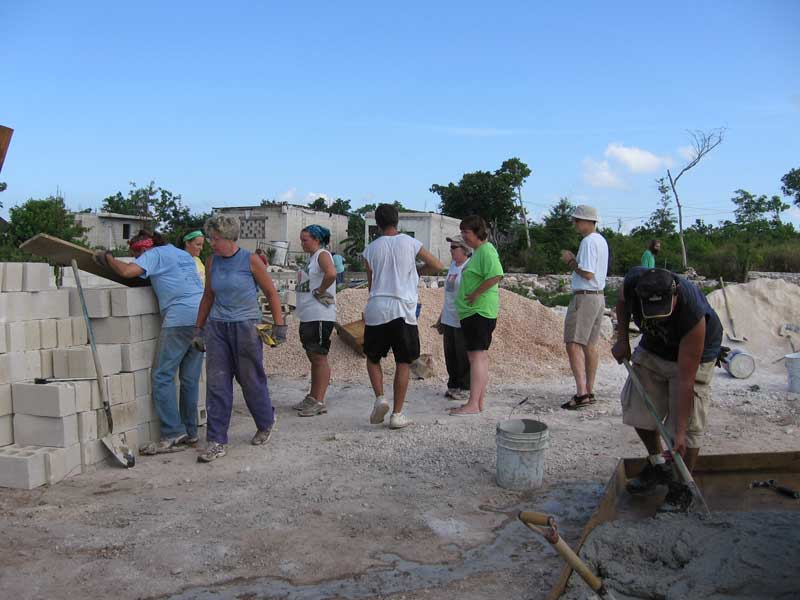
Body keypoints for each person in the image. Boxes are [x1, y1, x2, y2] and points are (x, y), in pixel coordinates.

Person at [612, 267, 723, 511]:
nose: (658, 317)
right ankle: (659, 465)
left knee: (688, 428)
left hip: (695, 355)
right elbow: (621, 303)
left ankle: (682, 488)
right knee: (638, 409)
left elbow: (685, 380)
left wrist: (680, 431)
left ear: (674, 294)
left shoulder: (692, 313)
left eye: (663, 311)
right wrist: (621, 340)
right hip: (654, 347)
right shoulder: (633, 283)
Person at [94, 230, 204, 450]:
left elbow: (126, 272)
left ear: (143, 249)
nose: (137, 260)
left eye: (137, 255)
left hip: (179, 319)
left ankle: (173, 433)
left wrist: (107, 257)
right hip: (201, 318)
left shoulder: (153, 254)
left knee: (162, 376)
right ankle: (191, 432)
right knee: (190, 379)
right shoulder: (181, 254)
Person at [193, 215, 287, 463]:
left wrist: (279, 325)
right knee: (217, 384)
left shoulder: (251, 260)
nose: (211, 243)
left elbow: (271, 292)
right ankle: (216, 441)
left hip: (245, 327)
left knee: (250, 380)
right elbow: (207, 297)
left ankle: (265, 421)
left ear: (229, 238)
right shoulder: (212, 261)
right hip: (217, 328)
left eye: (215, 239)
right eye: (211, 238)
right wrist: (198, 328)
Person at [362, 203, 443, 429]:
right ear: (397, 221)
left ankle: (380, 398)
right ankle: (397, 414)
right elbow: (437, 265)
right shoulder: (410, 242)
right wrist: (416, 271)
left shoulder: (370, 249)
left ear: (377, 224)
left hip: (377, 306)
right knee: (403, 362)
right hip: (403, 309)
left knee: (372, 357)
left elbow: (371, 285)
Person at [450, 216, 504, 416]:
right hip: (474, 312)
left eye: (467, 232)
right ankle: (478, 401)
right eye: (462, 232)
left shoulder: (486, 251)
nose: (464, 236)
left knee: (476, 357)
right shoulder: (479, 253)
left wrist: (476, 293)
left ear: (477, 233)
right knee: (478, 357)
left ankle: (472, 403)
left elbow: (496, 274)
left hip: (479, 312)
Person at [559, 205, 609, 410]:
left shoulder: (588, 242)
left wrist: (571, 261)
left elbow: (587, 273)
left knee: (573, 342)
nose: (575, 224)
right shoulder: (601, 241)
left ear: (589, 222)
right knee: (590, 344)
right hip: (598, 297)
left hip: (585, 297)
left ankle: (582, 393)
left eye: (578, 220)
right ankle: (589, 389)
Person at [292, 225, 337, 417]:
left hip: (320, 314)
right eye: (301, 239)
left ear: (317, 240)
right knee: (313, 356)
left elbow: (331, 273)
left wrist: (320, 291)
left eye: (305, 239)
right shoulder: (313, 258)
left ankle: (319, 400)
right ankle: (313, 395)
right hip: (309, 314)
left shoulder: (322, 255)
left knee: (319, 357)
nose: (302, 243)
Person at [435, 234, 471, 401]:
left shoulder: (469, 267)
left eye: (454, 247)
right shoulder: (452, 267)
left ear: (465, 250)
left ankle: (465, 386)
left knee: (462, 354)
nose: (451, 250)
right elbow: (449, 295)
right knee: (450, 353)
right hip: (448, 316)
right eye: (450, 247)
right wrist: (441, 317)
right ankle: (453, 384)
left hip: (462, 317)